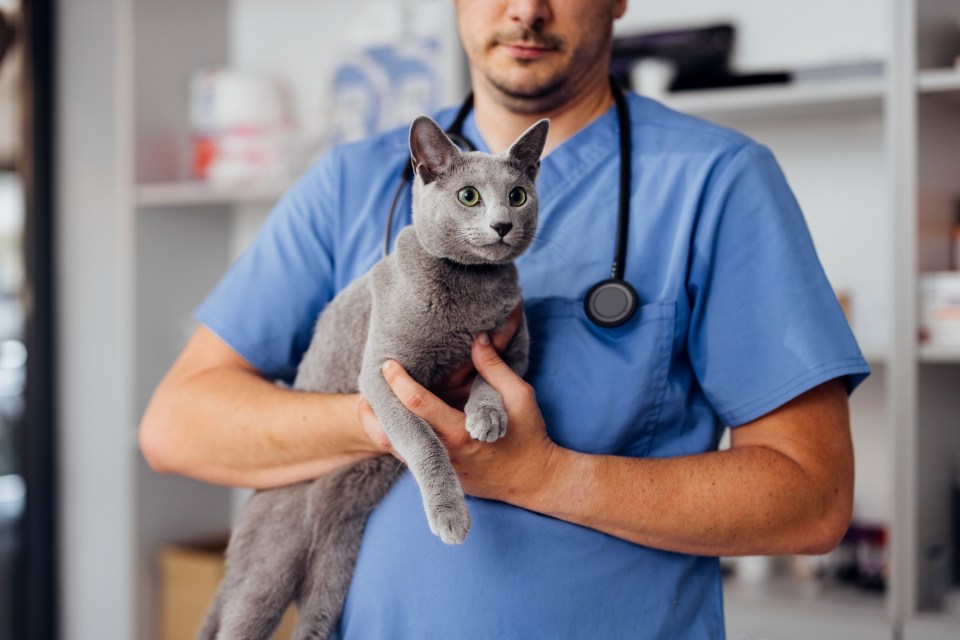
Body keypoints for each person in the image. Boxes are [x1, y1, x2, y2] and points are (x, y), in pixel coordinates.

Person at [139, 1, 870, 637]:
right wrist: (379, 420)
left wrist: (544, 477)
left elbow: (814, 500)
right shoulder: (350, 183)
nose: (526, 7)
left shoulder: (719, 182)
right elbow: (177, 426)